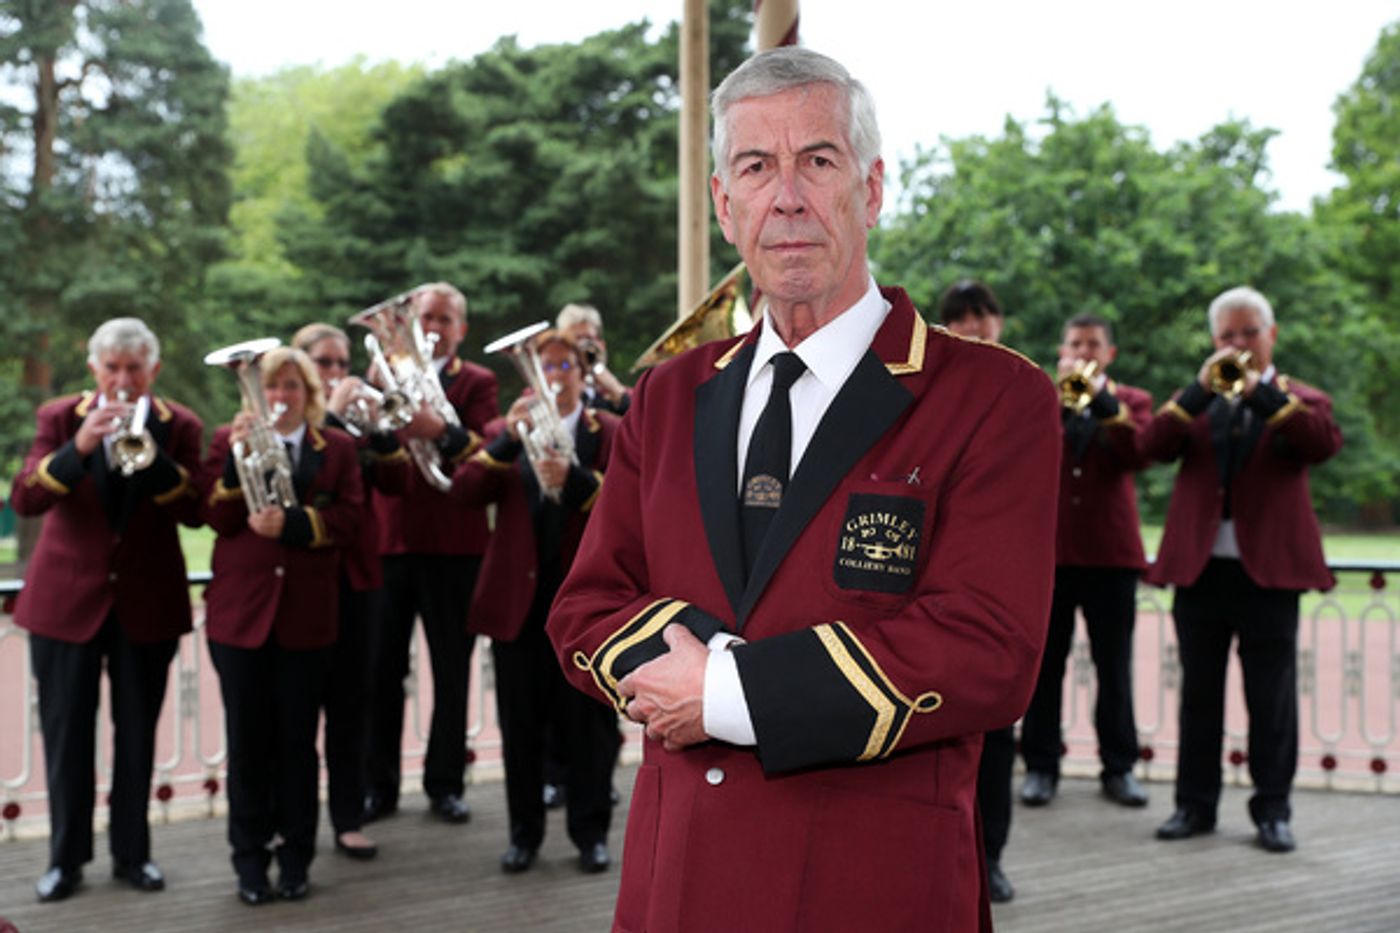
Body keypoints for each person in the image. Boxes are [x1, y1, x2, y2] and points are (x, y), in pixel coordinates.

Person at [548, 48, 1060, 932]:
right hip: (679, 883)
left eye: (817, 161)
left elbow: (988, 651)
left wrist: (724, 690)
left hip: (872, 889)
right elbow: (585, 607)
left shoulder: (992, 396)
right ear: (724, 203)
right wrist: (699, 675)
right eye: (756, 167)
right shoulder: (667, 397)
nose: (786, 196)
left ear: (872, 188)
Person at [1142, 286, 1341, 854]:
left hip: (1269, 575)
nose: (1239, 344)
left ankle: (1273, 811)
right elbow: (1151, 445)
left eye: (1249, 332)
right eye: (1227, 335)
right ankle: (1193, 806)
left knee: (1270, 701)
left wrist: (1259, 393)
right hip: (1201, 573)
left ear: (1271, 334)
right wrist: (1198, 392)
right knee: (1198, 698)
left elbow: (1320, 443)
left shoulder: (1301, 399)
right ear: (1213, 340)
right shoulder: (1195, 401)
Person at [12, 318, 203, 903]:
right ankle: (65, 860)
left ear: (153, 370)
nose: (123, 380)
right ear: (93, 368)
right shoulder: (58, 417)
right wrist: (80, 447)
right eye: (112, 368)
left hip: (145, 601)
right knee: (66, 736)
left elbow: (197, 511)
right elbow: (26, 497)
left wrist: (157, 462)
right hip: (66, 604)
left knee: (138, 737)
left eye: (134, 369)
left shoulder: (180, 425)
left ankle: (133, 854)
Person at [452, 330, 622, 876]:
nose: (554, 376)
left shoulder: (609, 431)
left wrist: (574, 479)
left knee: (588, 726)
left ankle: (591, 834)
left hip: (584, 604)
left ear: (583, 372)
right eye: (544, 367)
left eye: (564, 366)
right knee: (520, 728)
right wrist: (507, 441)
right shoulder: (506, 432)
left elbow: (626, 506)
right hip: (519, 606)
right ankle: (523, 835)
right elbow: (464, 492)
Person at [201, 346, 363, 904]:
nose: (279, 396)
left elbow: (351, 519)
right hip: (240, 618)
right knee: (247, 746)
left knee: (297, 745)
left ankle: (296, 859)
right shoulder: (228, 440)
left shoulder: (335, 447)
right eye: (270, 386)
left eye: (291, 386)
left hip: (305, 617)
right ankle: (249, 862)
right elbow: (215, 516)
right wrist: (236, 459)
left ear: (309, 394)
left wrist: (293, 524)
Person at [363, 282, 498, 825]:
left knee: (451, 669)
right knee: (381, 670)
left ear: (461, 329)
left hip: (454, 544)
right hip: (391, 542)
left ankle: (445, 783)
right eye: (425, 318)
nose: (433, 328)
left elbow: (486, 451)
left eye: (444, 319)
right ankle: (378, 787)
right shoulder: (382, 376)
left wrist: (440, 429)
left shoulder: (478, 381)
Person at [1019, 314, 1152, 811]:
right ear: (1062, 352)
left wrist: (1100, 400)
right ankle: (1040, 767)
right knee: (1044, 668)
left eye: (1093, 344)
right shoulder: (1040, 398)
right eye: (1075, 344)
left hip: (1110, 556)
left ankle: (1119, 768)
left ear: (1109, 354)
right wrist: (1055, 399)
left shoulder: (1132, 401)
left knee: (1113, 668)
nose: (1083, 352)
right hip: (1049, 556)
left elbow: (1139, 452)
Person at [292, 323, 412, 860]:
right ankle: (293, 825)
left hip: (358, 578)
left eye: (342, 363)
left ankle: (349, 816)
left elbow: (398, 483)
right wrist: (335, 418)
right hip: (301, 586)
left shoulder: (362, 422)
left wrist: (380, 428)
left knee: (353, 702)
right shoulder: (290, 420)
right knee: (296, 710)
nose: (337, 373)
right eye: (324, 363)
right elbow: (303, 480)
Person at [936, 279, 1015, 903]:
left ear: (999, 323)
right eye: (959, 318)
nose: (971, 327)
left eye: (981, 316)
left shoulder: (1020, 388)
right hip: (934, 587)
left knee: (996, 730)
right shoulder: (927, 390)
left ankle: (991, 858)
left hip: (1000, 585)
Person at [556, 303, 631, 414]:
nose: (584, 346)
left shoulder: (615, 392)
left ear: (601, 345)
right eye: (577, 339)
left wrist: (617, 392)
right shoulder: (550, 391)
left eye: (589, 338)